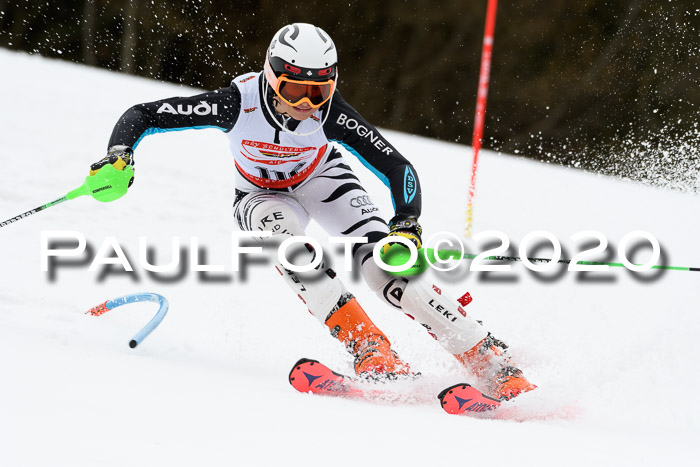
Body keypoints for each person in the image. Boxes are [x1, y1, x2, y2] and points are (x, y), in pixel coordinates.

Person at [91, 23, 535, 401]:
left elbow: (398, 167)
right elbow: (143, 114)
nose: (307, 104)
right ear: (271, 76)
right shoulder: (235, 103)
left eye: (319, 90)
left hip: (323, 180)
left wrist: (406, 225)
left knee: (389, 267)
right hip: (261, 196)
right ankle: (369, 347)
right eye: (295, 90)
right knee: (295, 253)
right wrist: (119, 155)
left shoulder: (330, 114)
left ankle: (489, 358)